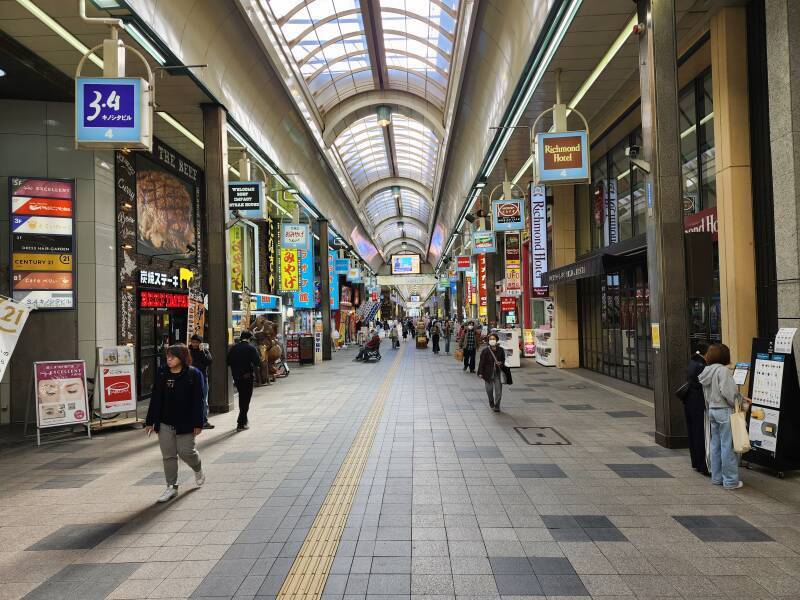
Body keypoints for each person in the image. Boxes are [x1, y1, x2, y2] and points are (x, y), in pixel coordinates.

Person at [145, 344, 205, 503]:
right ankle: (171, 486)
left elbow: (199, 400)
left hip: (186, 421)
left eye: (172, 357)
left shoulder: (193, 374)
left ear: (182, 357)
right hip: (164, 422)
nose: (169, 360)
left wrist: (199, 422)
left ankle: (198, 468)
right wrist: (150, 421)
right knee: (169, 455)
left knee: (186, 452)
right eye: (167, 356)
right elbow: (156, 397)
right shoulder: (163, 372)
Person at [698, 343, 750, 490]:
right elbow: (729, 393)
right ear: (725, 356)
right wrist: (740, 400)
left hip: (712, 410)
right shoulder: (723, 371)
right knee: (728, 446)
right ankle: (730, 481)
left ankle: (717, 477)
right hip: (724, 411)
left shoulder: (706, 371)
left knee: (716, 445)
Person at [682, 342, 709, 474]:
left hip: (689, 402)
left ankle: (696, 461)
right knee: (700, 433)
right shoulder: (701, 366)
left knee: (693, 432)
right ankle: (702, 464)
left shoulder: (693, 362)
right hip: (698, 402)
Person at [227, 331, 261, 431]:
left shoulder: (233, 348)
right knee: (246, 400)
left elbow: (228, 361)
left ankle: (244, 420)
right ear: (249, 338)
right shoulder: (251, 348)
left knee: (242, 397)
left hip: (237, 377)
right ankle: (241, 423)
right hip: (247, 377)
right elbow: (257, 362)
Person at [189, 334, 215, 430]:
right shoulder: (187, 351)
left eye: (197, 342)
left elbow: (209, 361)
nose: (194, 344)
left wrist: (202, 352)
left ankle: (203, 421)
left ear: (200, 343)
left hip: (203, 378)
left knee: (204, 400)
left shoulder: (204, 351)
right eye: (193, 342)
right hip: (190, 379)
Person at [477, 333, 506, 412]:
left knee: (499, 392)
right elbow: (481, 362)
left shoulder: (501, 350)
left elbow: (503, 360)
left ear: (496, 340)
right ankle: (491, 402)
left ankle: (497, 406)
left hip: (497, 373)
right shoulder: (485, 351)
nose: (492, 340)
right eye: (490, 339)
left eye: (493, 339)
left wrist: (501, 363)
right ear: (488, 341)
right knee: (489, 390)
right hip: (487, 374)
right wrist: (480, 372)